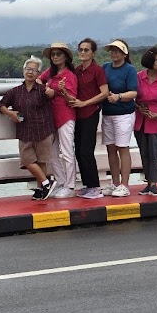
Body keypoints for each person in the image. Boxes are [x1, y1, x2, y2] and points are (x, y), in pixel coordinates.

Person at [0, 57, 57, 200]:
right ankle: (46, 182)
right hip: (25, 131)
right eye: (28, 69)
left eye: (34, 70)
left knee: (41, 161)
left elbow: (52, 95)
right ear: (23, 71)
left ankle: (41, 189)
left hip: (43, 129)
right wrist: (10, 113)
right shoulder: (15, 91)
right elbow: (1, 105)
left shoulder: (43, 90)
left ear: (38, 73)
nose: (30, 72)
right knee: (27, 160)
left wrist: (51, 92)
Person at [67, 38, 109, 199]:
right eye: (81, 50)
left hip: (90, 113)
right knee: (78, 151)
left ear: (93, 53)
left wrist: (85, 103)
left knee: (86, 151)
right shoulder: (77, 70)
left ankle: (95, 187)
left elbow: (104, 93)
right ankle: (87, 185)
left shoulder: (97, 70)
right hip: (76, 115)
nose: (83, 53)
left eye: (86, 50)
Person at [38, 42, 79, 198]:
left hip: (65, 116)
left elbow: (72, 99)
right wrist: (46, 90)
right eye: (53, 54)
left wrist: (60, 91)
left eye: (58, 54)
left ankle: (70, 186)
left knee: (67, 152)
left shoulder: (70, 75)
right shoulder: (50, 72)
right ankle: (60, 182)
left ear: (65, 57)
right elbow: (39, 80)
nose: (55, 57)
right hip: (51, 116)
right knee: (52, 153)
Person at [101, 39, 138, 197]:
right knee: (110, 148)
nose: (114, 53)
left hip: (124, 113)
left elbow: (134, 92)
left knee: (123, 148)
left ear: (124, 53)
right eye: (112, 50)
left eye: (117, 50)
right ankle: (115, 182)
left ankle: (125, 184)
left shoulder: (129, 70)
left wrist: (119, 96)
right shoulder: (105, 67)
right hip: (108, 112)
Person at [135, 47, 157, 196]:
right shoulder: (138, 77)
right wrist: (138, 108)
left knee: (155, 152)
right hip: (140, 120)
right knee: (144, 152)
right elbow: (133, 97)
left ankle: (154, 183)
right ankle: (148, 182)